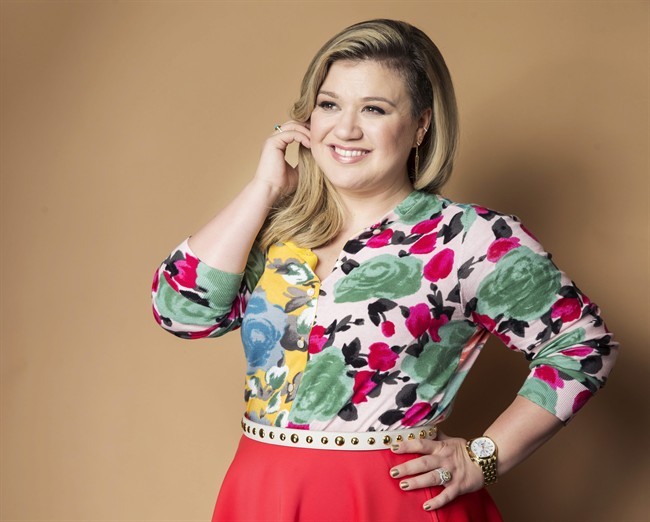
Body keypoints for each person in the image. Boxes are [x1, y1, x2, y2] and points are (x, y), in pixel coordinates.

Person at [151, 19, 618, 522]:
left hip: (393, 501)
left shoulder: (468, 237)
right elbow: (182, 312)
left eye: (374, 109)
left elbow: (584, 345)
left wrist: (483, 457)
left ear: (420, 125)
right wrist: (264, 188)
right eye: (329, 105)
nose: (345, 129)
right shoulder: (275, 231)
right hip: (262, 493)